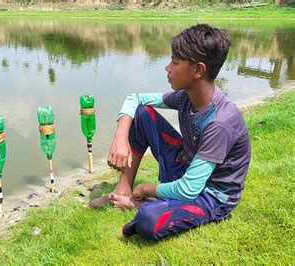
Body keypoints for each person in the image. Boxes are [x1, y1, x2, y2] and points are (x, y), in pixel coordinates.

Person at [89, 24, 251, 241]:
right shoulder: (185, 96)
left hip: (211, 195)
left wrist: (147, 188)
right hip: (189, 167)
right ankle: (122, 192)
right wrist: (120, 136)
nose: (167, 68)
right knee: (143, 113)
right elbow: (135, 98)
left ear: (198, 70)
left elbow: (189, 189)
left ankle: (137, 205)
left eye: (174, 63)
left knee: (149, 220)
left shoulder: (220, 122)